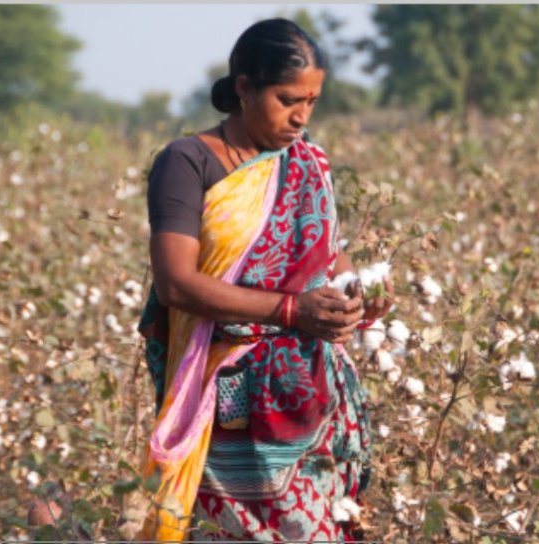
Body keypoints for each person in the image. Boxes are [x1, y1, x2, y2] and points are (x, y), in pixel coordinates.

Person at [135, 18, 393, 543]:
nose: (301, 116)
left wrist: (356, 292)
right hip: (231, 398)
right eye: (287, 99)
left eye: (312, 102)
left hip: (312, 394)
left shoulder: (306, 160)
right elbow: (176, 283)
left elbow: (328, 251)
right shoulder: (187, 162)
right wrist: (292, 310)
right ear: (244, 88)